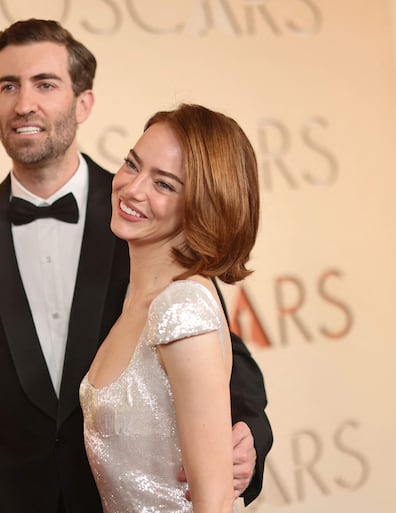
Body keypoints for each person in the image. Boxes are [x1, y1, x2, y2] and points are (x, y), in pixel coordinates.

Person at [0, 18, 272, 513]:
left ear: (83, 102)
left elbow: (221, 356)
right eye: (7, 86)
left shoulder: (149, 219)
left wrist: (249, 433)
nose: (24, 104)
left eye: (45, 84)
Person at [81, 103, 260, 513]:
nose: (132, 188)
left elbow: (214, 503)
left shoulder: (181, 308)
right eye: (132, 164)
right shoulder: (140, 299)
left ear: (201, 205)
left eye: (163, 184)